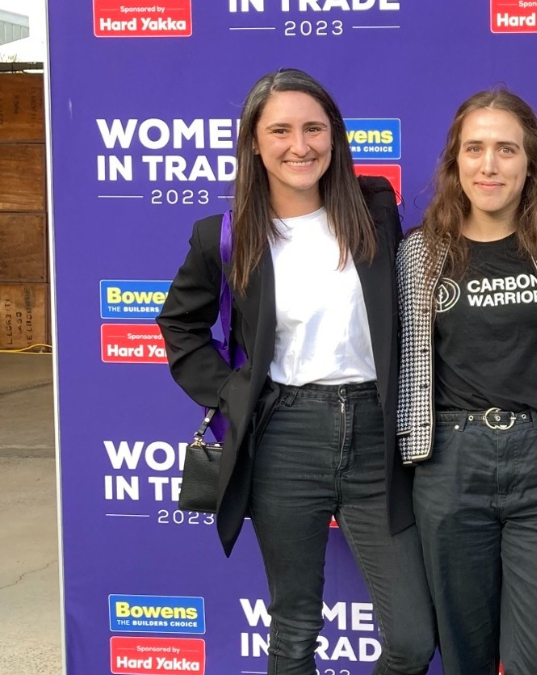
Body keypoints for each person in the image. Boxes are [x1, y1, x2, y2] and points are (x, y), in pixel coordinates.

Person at [157, 68, 435, 675]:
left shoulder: (375, 212)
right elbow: (179, 328)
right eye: (279, 130)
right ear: (254, 143)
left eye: (313, 128)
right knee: (294, 630)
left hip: (376, 435)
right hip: (284, 438)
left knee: (413, 639)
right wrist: (235, 393)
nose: (299, 145)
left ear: (334, 136)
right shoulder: (224, 237)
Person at [395, 88, 537, 675]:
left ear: (530, 163)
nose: (490, 165)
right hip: (449, 464)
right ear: (454, 161)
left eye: (506, 149)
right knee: (467, 656)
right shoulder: (420, 255)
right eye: (475, 148)